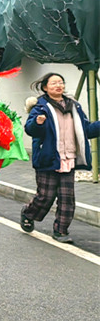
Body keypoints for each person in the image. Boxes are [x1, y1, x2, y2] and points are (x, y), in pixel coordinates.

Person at [20, 73, 100, 243]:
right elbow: (30, 130)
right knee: (45, 196)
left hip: (68, 158)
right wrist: (38, 122)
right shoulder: (40, 107)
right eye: (54, 83)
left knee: (67, 198)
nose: (58, 86)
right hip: (48, 158)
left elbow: (86, 130)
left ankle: (61, 231)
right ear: (45, 87)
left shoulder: (74, 106)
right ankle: (28, 213)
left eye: (61, 82)